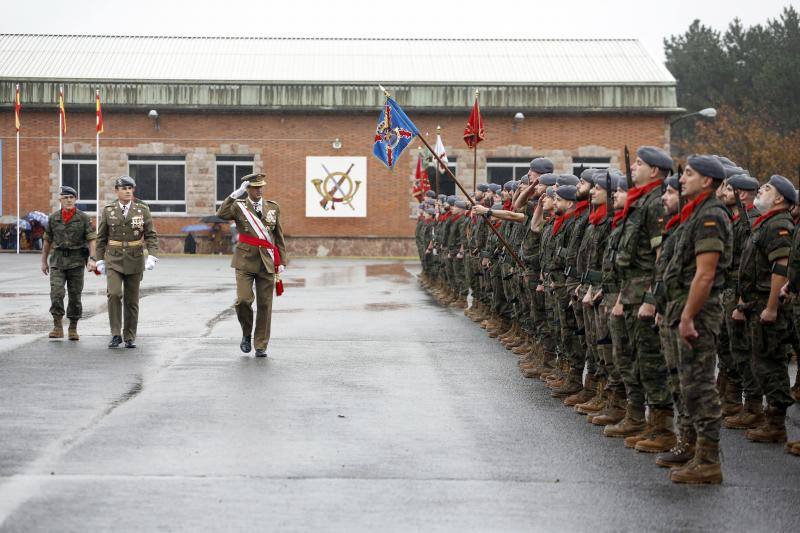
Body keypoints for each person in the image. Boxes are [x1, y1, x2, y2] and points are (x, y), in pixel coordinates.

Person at [662, 155, 732, 484]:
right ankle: (690, 447)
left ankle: (708, 461)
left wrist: (689, 316)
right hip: (683, 307)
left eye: (688, 174)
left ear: (707, 181)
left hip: (699, 311)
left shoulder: (711, 216)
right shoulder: (694, 214)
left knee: (700, 385)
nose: (681, 179)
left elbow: (705, 275)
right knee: (684, 382)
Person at [734, 174, 797, 444]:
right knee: (760, 361)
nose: (760, 190)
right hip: (756, 303)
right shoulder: (767, 223)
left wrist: (772, 307)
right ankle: (769, 417)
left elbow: (780, 269)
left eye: (767, 189)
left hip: (767, 304)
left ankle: (775, 423)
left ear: (780, 198)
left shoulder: (779, 225)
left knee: (770, 363)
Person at [217, 173, 287, 358]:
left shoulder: (272, 208)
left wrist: (282, 261)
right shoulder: (239, 206)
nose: (259, 190)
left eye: (261, 187)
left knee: (265, 305)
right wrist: (234, 195)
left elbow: (278, 237)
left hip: (267, 262)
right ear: (247, 189)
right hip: (245, 261)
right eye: (255, 187)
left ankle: (261, 344)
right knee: (244, 300)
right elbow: (221, 214)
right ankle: (246, 333)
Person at [95, 176, 159, 349]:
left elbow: (151, 235)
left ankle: (129, 336)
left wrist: (152, 255)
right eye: (124, 188)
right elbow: (101, 237)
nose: (128, 191)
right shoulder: (108, 210)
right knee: (114, 294)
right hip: (113, 258)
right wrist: (99, 259)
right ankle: (115, 334)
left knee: (132, 300)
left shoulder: (142, 209)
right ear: (116, 191)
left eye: (130, 188)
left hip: (135, 258)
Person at [41, 185, 97, 340]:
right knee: (56, 293)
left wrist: (92, 258)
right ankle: (57, 326)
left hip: (77, 261)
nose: (68, 200)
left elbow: (92, 239)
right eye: (65, 197)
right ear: (60, 199)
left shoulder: (83, 218)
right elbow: (47, 240)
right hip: (57, 261)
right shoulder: (53, 218)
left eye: (71, 197)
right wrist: (43, 261)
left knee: (75, 296)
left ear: (76, 199)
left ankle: (73, 327)